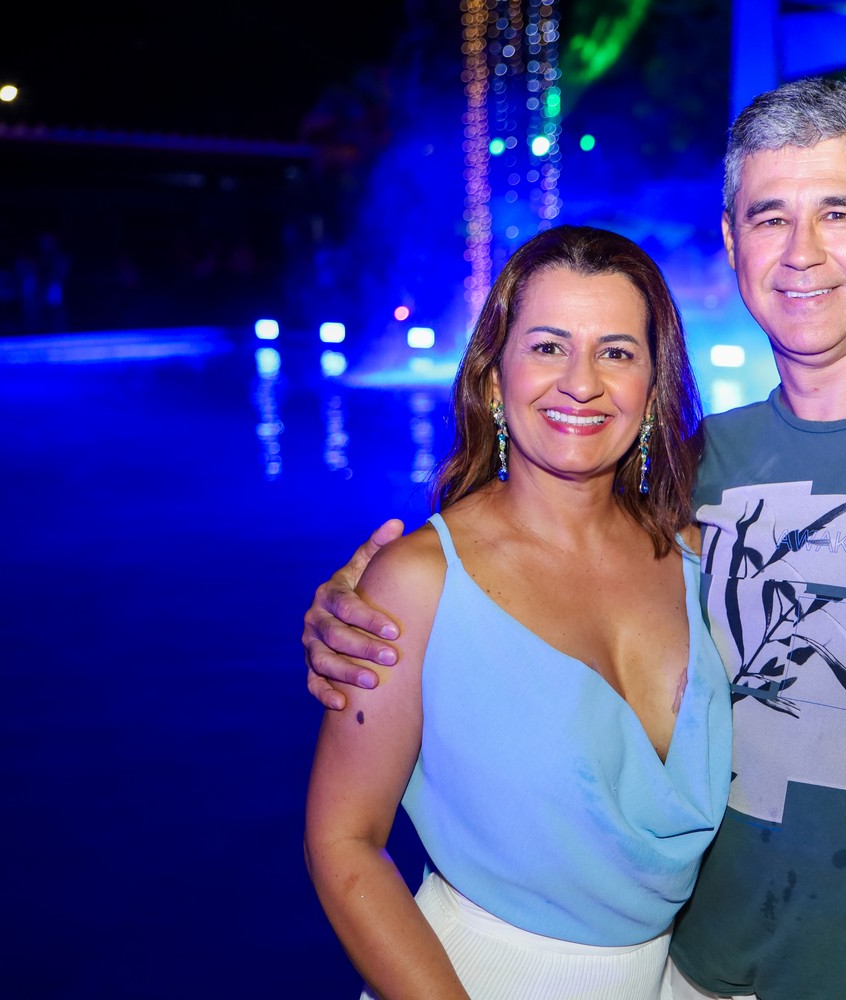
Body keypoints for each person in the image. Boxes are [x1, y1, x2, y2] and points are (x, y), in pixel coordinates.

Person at [306, 78, 846, 1000]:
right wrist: (355, 612)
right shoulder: (694, 467)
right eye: (769, 218)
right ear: (732, 243)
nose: (801, 253)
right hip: (686, 972)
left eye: (838, 211)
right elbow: (523, 581)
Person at [303, 225, 733, 999]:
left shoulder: (695, 558)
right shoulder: (419, 582)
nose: (581, 382)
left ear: (652, 385)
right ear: (495, 379)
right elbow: (343, 841)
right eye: (547, 347)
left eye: (616, 352)